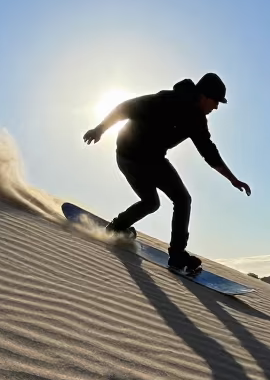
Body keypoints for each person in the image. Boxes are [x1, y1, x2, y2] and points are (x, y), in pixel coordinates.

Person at [83, 72, 251, 276]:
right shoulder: (165, 100)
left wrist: (233, 179)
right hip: (130, 156)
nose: (216, 107)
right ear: (204, 96)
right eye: (216, 102)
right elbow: (124, 107)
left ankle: (176, 253)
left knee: (180, 199)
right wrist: (100, 129)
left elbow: (209, 152)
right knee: (153, 202)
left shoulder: (197, 121)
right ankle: (117, 228)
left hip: (154, 159)